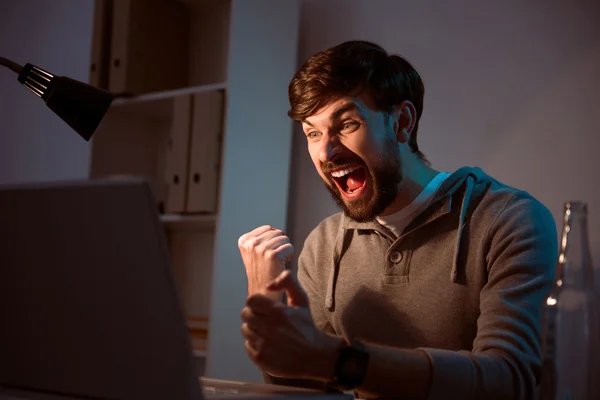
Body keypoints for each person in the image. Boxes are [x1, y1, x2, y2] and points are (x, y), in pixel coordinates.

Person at [237, 40, 558, 399]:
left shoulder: (509, 220)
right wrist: (265, 302)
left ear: (402, 122)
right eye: (313, 133)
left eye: (347, 124)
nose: (326, 151)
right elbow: (305, 390)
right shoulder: (324, 244)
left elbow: (507, 379)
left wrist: (341, 361)